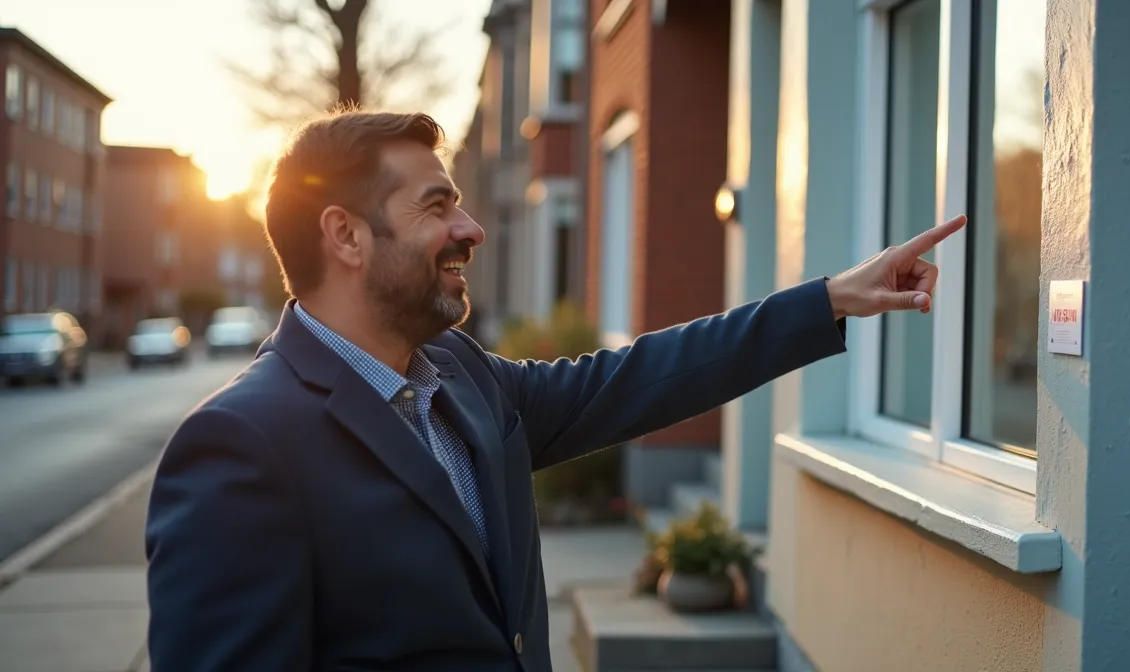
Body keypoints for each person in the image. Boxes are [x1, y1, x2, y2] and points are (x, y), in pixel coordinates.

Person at [144, 109, 966, 672]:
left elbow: (641, 377)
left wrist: (825, 302)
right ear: (346, 234)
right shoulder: (241, 448)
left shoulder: (463, 378)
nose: (471, 230)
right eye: (438, 206)